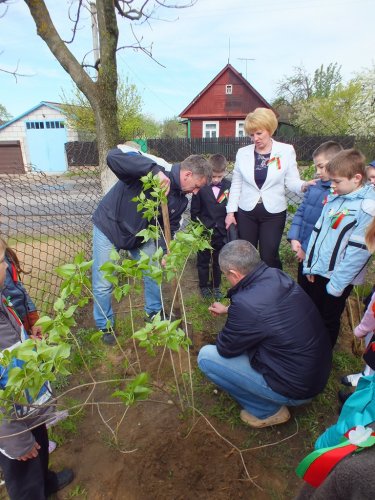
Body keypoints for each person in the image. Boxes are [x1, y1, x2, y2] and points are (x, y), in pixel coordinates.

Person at [198, 240, 331, 429]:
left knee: (206, 357)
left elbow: (226, 348)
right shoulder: (275, 275)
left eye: (225, 274)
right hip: (314, 374)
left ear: (234, 273)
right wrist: (229, 309)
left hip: (297, 388)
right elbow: (268, 310)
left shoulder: (246, 306)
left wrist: (235, 316)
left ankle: (267, 411)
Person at [92, 145, 211, 344]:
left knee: (153, 271)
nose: (196, 192)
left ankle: (154, 313)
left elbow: (170, 227)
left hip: (140, 236)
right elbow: (114, 156)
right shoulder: (157, 166)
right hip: (110, 225)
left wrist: (165, 251)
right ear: (188, 174)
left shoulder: (181, 200)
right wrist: (153, 172)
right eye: (197, 186)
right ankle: (105, 326)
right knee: (103, 282)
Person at [0, 238, 74, 499]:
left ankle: (46, 481)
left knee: (39, 446)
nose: (5, 269)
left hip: (27, 405)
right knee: (24, 469)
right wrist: (15, 440)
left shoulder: (2, 301)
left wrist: (27, 341)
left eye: (4, 261)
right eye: (2, 262)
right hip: (11, 427)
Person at [303, 149, 375, 347]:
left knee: (328, 318)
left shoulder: (367, 208)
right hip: (319, 270)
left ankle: (323, 356)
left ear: (357, 178)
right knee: (313, 313)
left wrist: (336, 285)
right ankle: (310, 350)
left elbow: (358, 253)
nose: (332, 185)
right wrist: (310, 265)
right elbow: (318, 232)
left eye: (337, 181)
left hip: (337, 277)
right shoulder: (336, 197)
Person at [225, 107, 312, 269]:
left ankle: (273, 287)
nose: (255, 139)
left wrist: (304, 185)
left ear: (270, 129)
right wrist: (230, 212)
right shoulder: (242, 153)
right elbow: (236, 183)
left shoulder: (285, 151)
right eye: (251, 135)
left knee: (269, 255)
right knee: (247, 256)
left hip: (273, 213)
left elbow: (292, 181)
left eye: (259, 133)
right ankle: (250, 288)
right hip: (247, 212)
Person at [288, 141, 343, 293]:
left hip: (319, 256)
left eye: (321, 166)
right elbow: (300, 212)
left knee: (317, 292)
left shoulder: (338, 192)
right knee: (303, 290)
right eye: (316, 166)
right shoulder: (314, 186)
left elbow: (327, 227)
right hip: (303, 251)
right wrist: (294, 238)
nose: (318, 171)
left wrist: (306, 248)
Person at [190, 154, 231, 299]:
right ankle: (203, 285)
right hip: (204, 232)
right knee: (203, 260)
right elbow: (194, 211)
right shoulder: (201, 187)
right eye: (213, 176)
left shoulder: (228, 186)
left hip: (221, 232)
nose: (216, 180)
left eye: (219, 177)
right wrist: (198, 229)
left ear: (225, 172)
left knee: (218, 261)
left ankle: (216, 285)